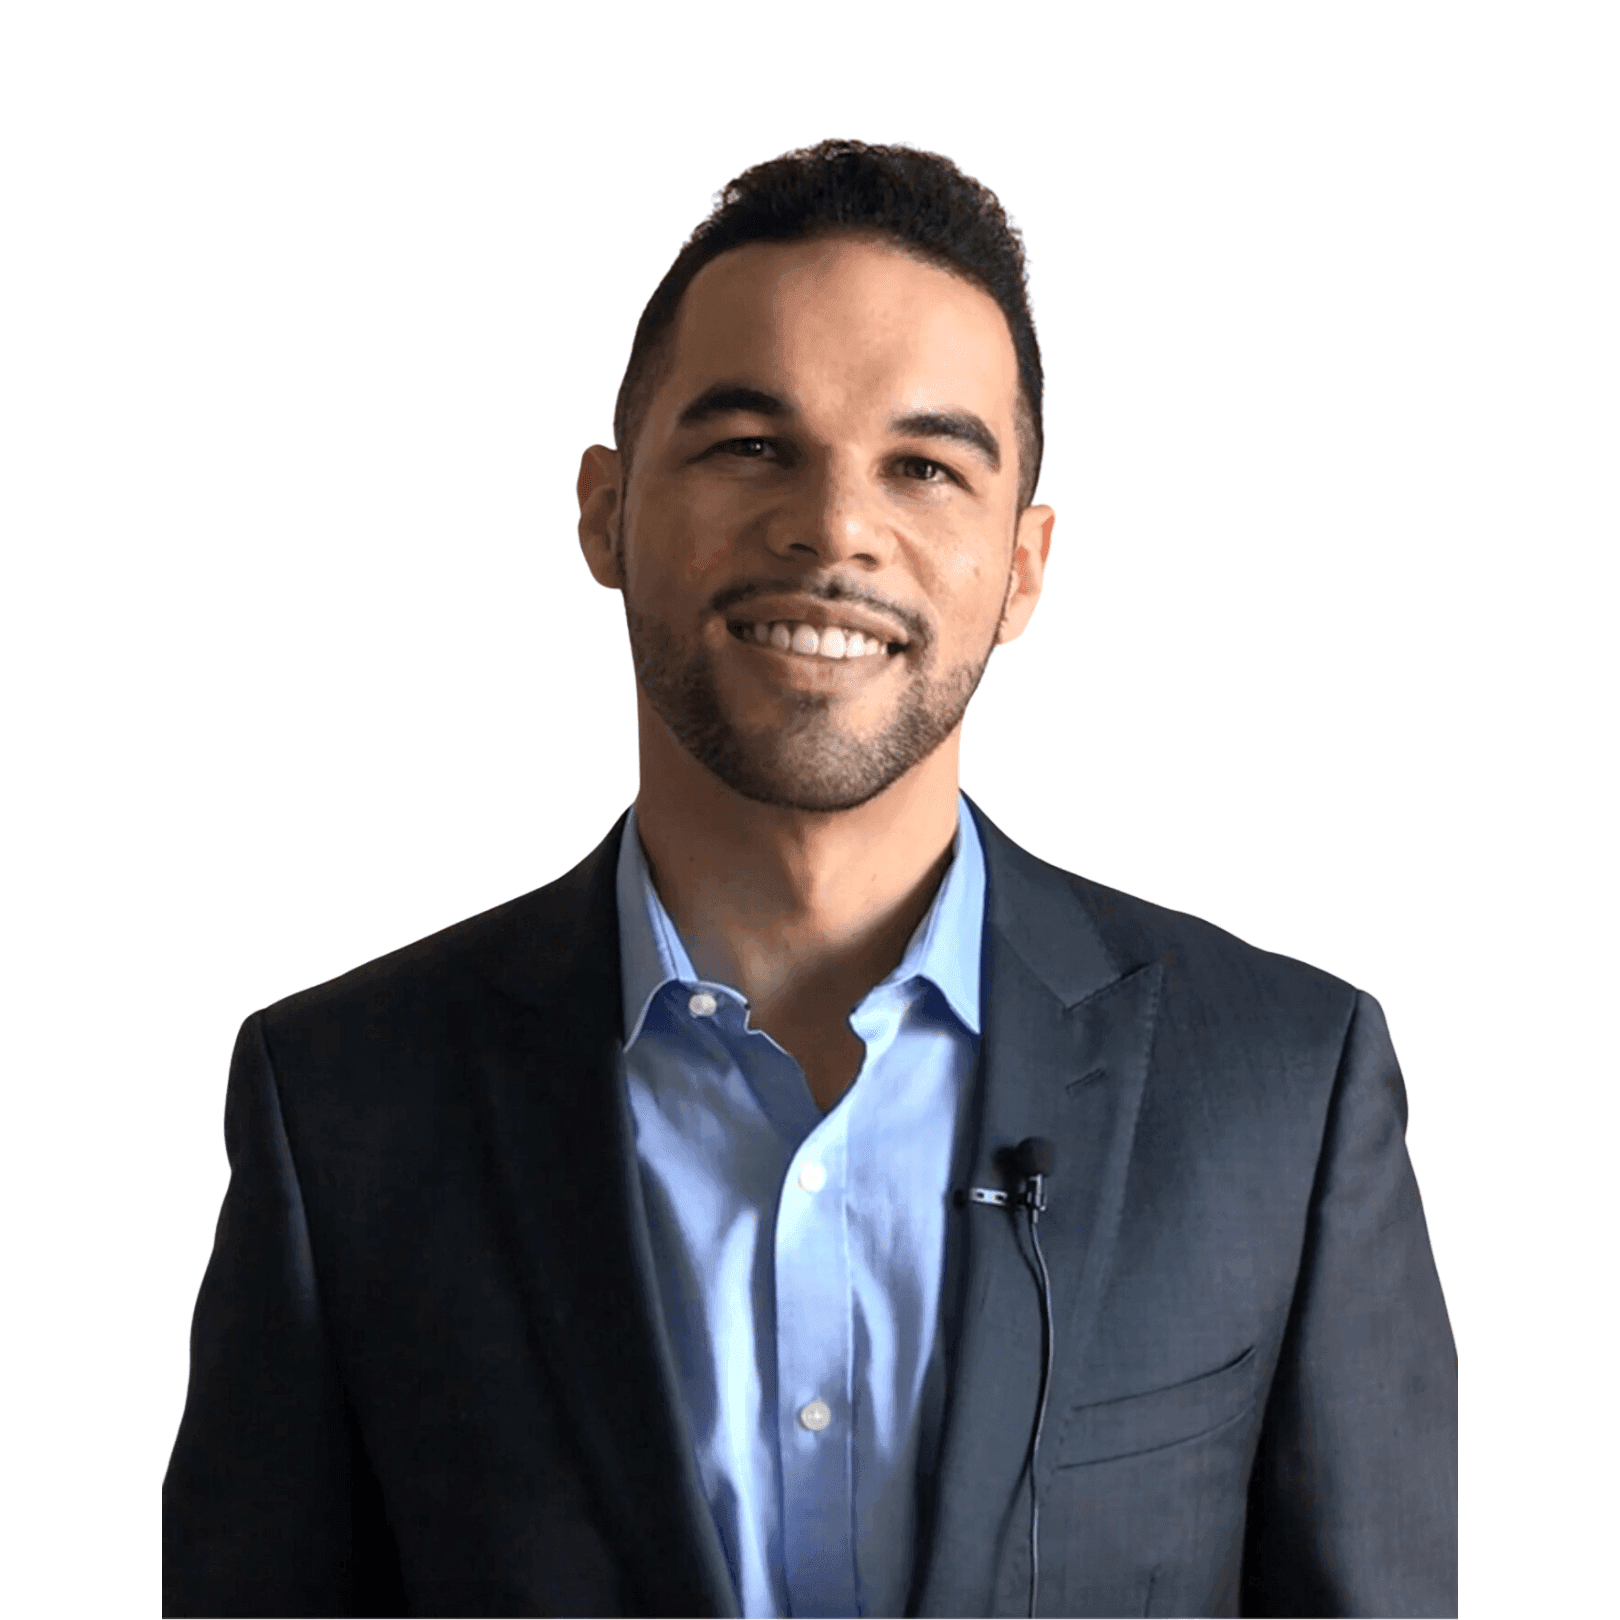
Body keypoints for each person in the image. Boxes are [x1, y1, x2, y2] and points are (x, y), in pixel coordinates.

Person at [162, 139, 1457, 1618]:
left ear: (1024, 565)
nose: (836, 528)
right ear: (604, 510)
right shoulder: (341, 1105)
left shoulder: (1286, 1089)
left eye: (925, 465)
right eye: (751, 446)